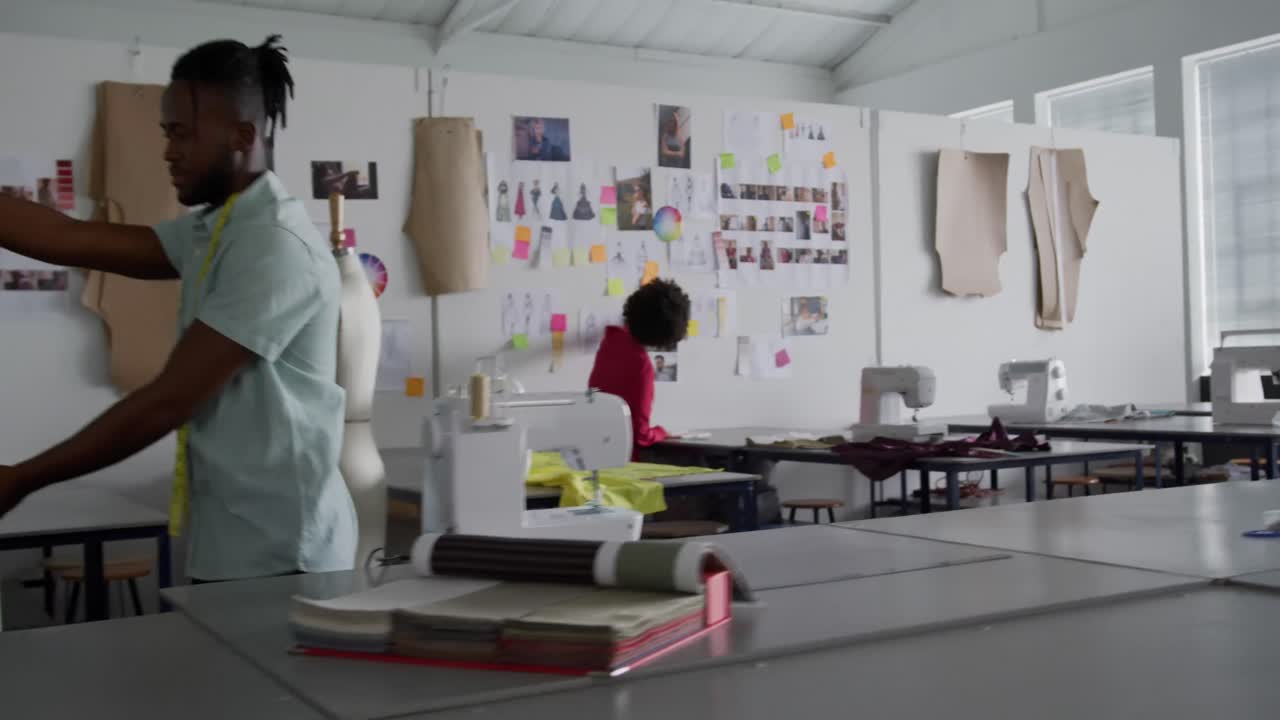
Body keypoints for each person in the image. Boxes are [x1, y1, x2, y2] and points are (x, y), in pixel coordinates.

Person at [0, 35, 357, 583]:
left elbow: (168, 401)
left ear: (242, 134)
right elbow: (71, 238)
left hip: (284, 555)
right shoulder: (217, 228)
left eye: (182, 134)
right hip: (235, 541)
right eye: (168, 133)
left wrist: (22, 478)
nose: (168, 151)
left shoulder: (274, 244)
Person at [588, 279, 690, 458]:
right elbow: (640, 435)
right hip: (624, 460)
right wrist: (661, 432)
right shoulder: (641, 364)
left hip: (596, 449)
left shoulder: (611, 340)